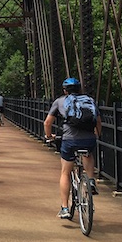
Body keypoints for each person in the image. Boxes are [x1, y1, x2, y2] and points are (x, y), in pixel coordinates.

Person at [43, 77, 101, 219]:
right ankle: (91, 180)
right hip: (88, 139)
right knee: (88, 154)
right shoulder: (89, 100)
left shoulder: (60, 101)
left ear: (65, 90)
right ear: (80, 89)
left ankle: (64, 208)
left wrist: (49, 136)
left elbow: (47, 122)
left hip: (69, 140)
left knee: (65, 172)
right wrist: (97, 136)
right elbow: (98, 122)